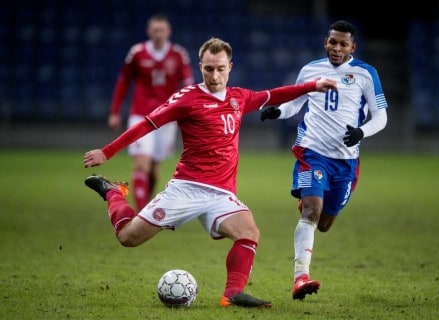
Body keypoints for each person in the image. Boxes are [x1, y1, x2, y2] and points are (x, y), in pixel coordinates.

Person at [83, 37, 338, 308]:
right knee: (128, 238)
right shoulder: (187, 98)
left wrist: (312, 86)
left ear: (230, 67)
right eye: (208, 69)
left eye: (220, 69)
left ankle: (232, 293)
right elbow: (148, 124)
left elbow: (274, 95)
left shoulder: (240, 97)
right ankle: (113, 193)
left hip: (221, 194)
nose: (214, 76)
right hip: (186, 188)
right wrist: (108, 151)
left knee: (249, 232)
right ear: (200, 67)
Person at [260, 20, 388, 300]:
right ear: (325, 43)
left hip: (345, 162)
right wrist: (277, 113)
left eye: (343, 44)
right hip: (312, 153)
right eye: (333, 42)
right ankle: (299, 277)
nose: (337, 48)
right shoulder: (310, 70)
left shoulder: (366, 74)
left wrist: (360, 132)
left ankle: (311, 197)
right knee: (311, 213)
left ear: (353, 47)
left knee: (325, 224)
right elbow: (294, 102)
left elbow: (381, 116)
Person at [108, 13, 194, 212]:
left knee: (154, 168)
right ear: (149, 32)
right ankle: (140, 212)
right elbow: (123, 82)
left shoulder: (178, 55)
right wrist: (115, 111)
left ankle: (145, 203)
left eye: (162, 30)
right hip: (140, 115)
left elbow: (188, 85)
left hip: (167, 117)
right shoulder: (137, 53)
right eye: (155, 30)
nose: (158, 34)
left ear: (168, 32)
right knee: (142, 163)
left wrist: (188, 112)